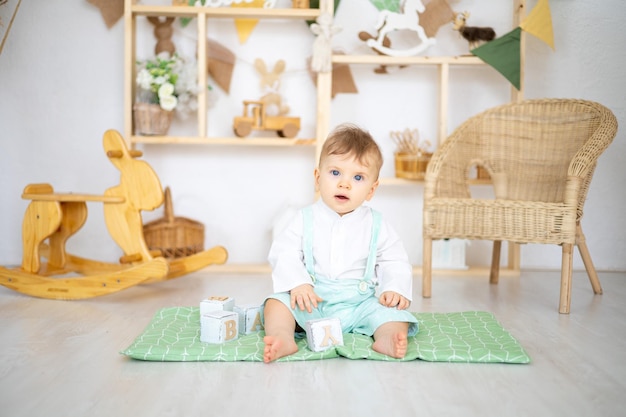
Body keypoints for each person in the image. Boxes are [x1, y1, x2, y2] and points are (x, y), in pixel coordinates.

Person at [262, 123, 418, 363]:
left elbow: (394, 258)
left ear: (371, 190)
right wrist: (298, 283)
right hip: (311, 300)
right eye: (335, 173)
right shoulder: (304, 219)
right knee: (276, 304)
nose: (344, 183)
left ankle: (387, 337)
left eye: (358, 177)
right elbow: (284, 252)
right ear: (317, 178)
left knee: (395, 315)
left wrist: (394, 288)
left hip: (359, 305)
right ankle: (283, 338)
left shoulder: (377, 224)